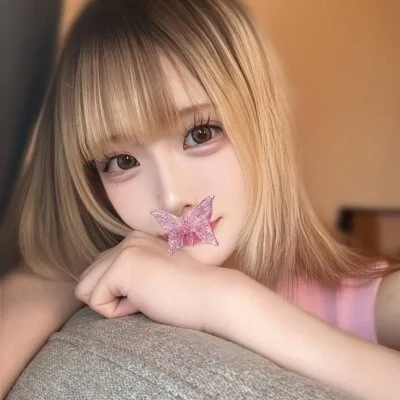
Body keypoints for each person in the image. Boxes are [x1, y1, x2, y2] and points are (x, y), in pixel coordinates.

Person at [1, 0, 399, 398]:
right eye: (122, 161)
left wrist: (223, 301)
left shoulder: (378, 300)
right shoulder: (85, 272)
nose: (174, 197)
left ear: (262, 122)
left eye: (201, 134)